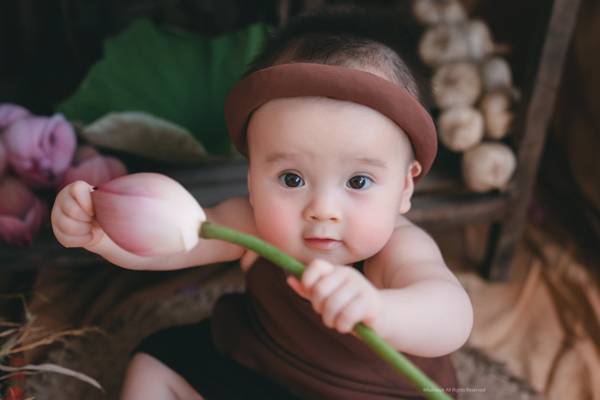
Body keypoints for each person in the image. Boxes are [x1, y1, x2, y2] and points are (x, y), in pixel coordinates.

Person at [52, 8, 473, 400]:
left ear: (404, 187)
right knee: (156, 361)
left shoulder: (396, 250)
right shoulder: (251, 223)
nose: (322, 209)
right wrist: (103, 235)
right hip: (264, 365)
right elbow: (172, 243)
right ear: (252, 178)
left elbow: (451, 317)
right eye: (292, 179)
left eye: (358, 181)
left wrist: (381, 310)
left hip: (369, 393)